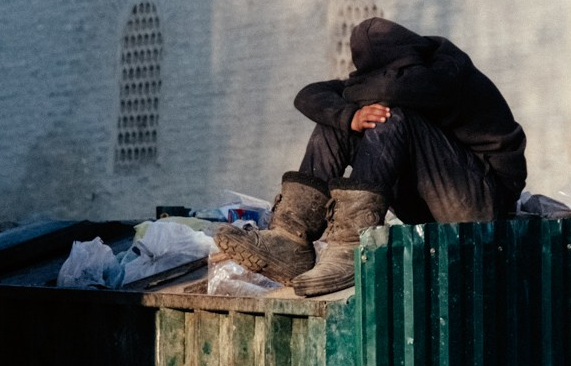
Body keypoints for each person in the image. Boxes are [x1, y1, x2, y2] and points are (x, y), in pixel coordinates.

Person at [216, 18, 527, 297]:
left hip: (484, 201)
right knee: (342, 120)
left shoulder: (446, 72)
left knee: (389, 118)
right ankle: (291, 239)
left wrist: (350, 100)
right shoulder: (396, 77)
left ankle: (350, 245)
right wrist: (348, 115)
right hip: (433, 203)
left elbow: (394, 88)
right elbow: (308, 95)